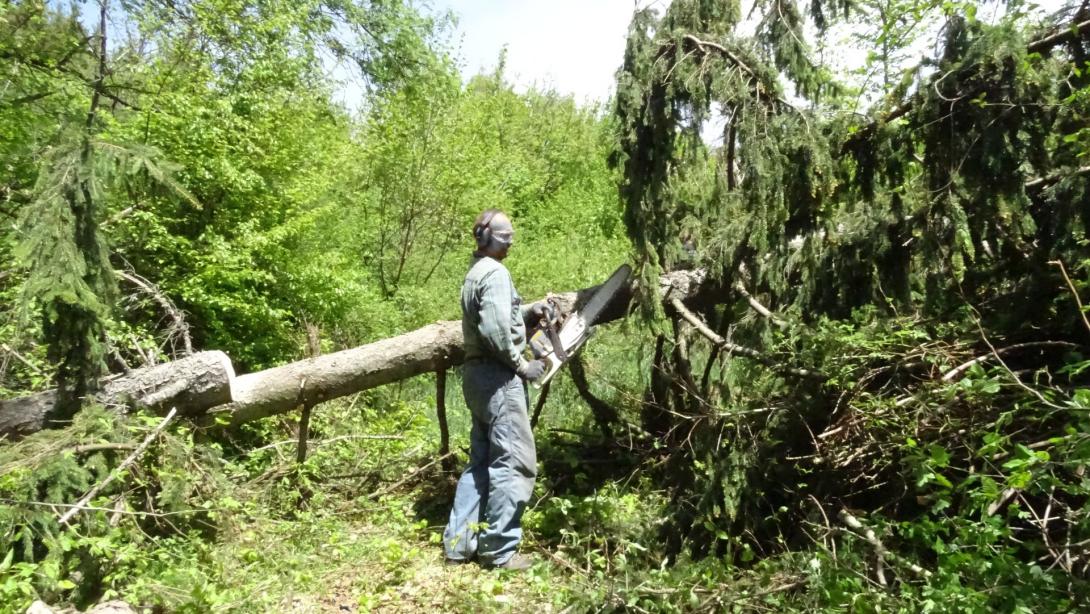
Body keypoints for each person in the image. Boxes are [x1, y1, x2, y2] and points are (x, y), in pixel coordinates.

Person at [443, 209, 548, 570]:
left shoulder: (476, 274)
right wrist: (523, 366)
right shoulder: (497, 273)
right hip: (500, 379)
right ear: (496, 239)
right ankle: (498, 551)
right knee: (514, 462)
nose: (511, 242)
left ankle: (458, 545)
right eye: (508, 236)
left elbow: (494, 320)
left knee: (482, 463)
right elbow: (495, 333)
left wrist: (530, 311)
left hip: (476, 377)